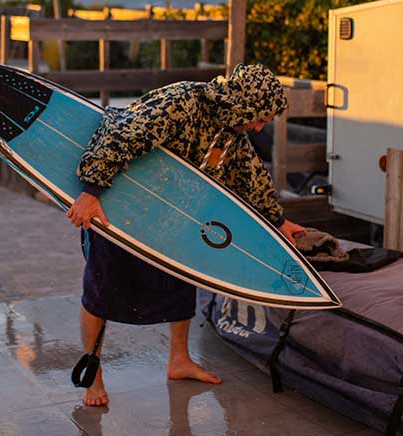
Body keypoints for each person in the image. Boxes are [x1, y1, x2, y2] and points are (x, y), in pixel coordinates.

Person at [67, 63, 306, 406]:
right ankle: (95, 377)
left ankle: (178, 360)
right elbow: (122, 133)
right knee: (100, 290)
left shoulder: (231, 130)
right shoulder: (182, 102)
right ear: (244, 104)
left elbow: (250, 175)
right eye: (259, 118)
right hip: (122, 204)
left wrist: (278, 221)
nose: (258, 126)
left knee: (180, 284)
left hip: (172, 213)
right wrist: (91, 190)